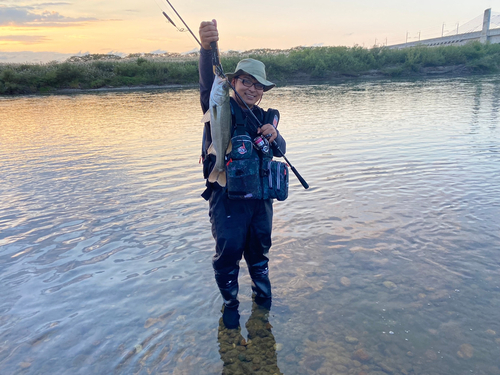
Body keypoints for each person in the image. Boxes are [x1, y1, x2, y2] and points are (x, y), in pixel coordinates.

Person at [198, 20, 287, 329]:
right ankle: (230, 306)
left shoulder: (266, 117)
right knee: (228, 253)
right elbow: (208, 84)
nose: (253, 88)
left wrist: (274, 134)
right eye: (246, 82)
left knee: (260, 254)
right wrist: (208, 48)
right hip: (227, 199)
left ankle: (263, 308)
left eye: (258, 85)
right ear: (233, 83)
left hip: (260, 203)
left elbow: (281, 150)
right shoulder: (220, 103)